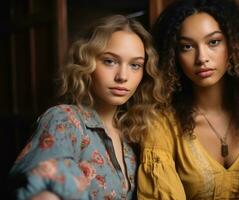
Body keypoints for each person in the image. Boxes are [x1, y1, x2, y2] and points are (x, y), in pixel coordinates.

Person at [137, 0, 239, 199]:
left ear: (233, 44)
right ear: (173, 56)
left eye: (213, 42)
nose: (202, 58)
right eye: (187, 46)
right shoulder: (161, 122)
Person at [8, 14, 166, 200]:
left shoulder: (134, 133)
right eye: (110, 61)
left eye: (135, 65)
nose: (123, 76)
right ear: (86, 62)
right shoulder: (65, 119)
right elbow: (43, 188)